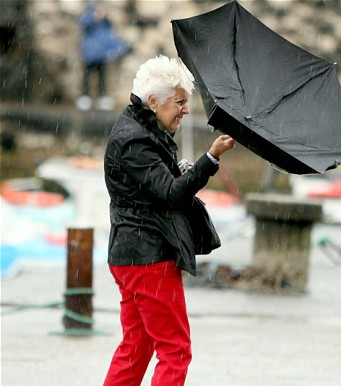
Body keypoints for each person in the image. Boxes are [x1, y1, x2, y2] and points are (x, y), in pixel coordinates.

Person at [102, 55, 236, 386]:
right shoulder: (135, 139)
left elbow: (156, 185)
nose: (185, 110)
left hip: (131, 255)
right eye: (179, 102)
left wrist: (185, 169)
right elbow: (173, 194)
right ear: (153, 101)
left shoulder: (142, 127)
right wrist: (210, 158)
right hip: (148, 257)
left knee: (136, 346)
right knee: (175, 350)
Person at [76, 1, 129, 111]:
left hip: (101, 56)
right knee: (87, 77)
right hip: (89, 55)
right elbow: (82, 22)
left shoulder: (105, 25)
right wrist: (92, 17)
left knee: (102, 77)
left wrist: (121, 48)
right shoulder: (88, 22)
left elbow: (111, 39)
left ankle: (102, 97)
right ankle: (85, 97)